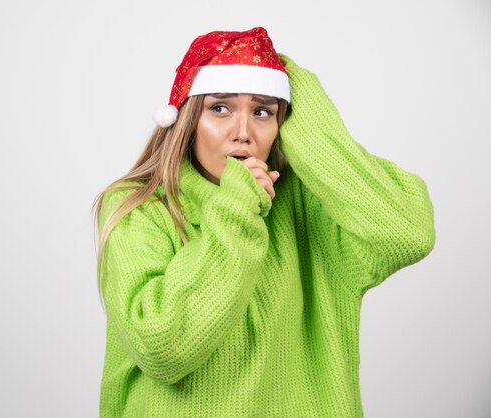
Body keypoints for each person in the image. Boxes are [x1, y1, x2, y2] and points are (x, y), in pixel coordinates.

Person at [92, 26, 435, 417]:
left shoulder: (311, 205)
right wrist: (237, 210)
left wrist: (310, 117)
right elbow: (164, 347)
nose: (243, 133)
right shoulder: (138, 208)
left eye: (263, 111)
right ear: (187, 118)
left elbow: (407, 235)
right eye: (219, 108)